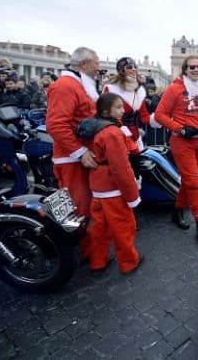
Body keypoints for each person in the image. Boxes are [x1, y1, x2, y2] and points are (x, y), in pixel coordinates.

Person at [155, 55, 198, 241]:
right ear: (185, 69)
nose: (196, 70)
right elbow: (160, 115)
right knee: (194, 182)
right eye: (192, 67)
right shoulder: (174, 89)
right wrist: (180, 129)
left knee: (188, 180)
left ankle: (177, 212)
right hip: (181, 141)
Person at [78, 93, 143, 275]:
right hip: (112, 188)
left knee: (99, 227)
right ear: (107, 110)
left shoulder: (94, 127)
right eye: (119, 107)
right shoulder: (112, 132)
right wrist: (132, 196)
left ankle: (98, 261)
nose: (123, 111)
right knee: (124, 227)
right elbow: (121, 167)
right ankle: (129, 262)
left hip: (97, 185)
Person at [46, 47, 100, 261]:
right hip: (72, 158)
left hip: (79, 155)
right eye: (96, 62)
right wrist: (80, 152)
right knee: (78, 207)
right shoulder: (65, 86)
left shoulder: (77, 84)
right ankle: (83, 252)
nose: (98, 66)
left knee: (83, 204)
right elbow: (56, 125)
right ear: (84, 64)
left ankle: (85, 248)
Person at [103, 57, 161, 152]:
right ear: (121, 70)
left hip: (136, 138)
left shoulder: (138, 91)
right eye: (129, 67)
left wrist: (160, 118)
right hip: (117, 137)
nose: (134, 69)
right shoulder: (110, 89)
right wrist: (124, 134)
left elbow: (144, 116)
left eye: (135, 67)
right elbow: (106, 117)